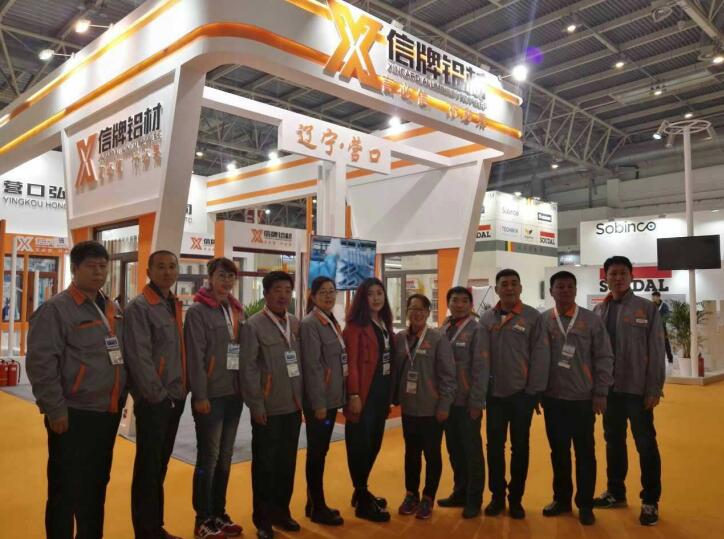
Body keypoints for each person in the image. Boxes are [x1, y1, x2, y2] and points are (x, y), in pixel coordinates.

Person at [27, 240, 126, 539]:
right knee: (65, 490)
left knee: (96, 487)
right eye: (91, 266)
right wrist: (55, 410)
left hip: (106, 412)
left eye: (103, 266)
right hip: (72, 413)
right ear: (74, 269)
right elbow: (42, 365)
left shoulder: (112, 307)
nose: (98, 272)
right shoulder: (56, 309)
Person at [593, 256, 665, 526]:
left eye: (623, 273)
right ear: (606, 278)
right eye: (613, 273)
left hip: (637, 390)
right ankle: (615, 492)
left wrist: (654, 387)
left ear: (631, 276)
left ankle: (650, 500)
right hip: (610, 390)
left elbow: (657, 350)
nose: (618, 278)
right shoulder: (599, 310)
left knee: (645, 444)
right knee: (613, 441)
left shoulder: (646, 309)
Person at [537, 271, 614, 526]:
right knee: (558, 452)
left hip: (583, 399)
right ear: (551, 291)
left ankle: (585, 504)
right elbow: (536, 358)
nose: (565, 290)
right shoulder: (544, 321)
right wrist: (537, 391)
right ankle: (561, 500)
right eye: (560, 287)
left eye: (570, 286)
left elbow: (604, 357)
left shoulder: (591, 320)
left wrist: (601, 392)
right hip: (553, 399)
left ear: (576, 290)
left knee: (585, 453)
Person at [124, 250, 187, 539]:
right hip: (155, 400)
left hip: (174, 396)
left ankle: (155, 527)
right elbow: (139, 357)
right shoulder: (140, 307)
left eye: (172, 266)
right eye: (160, 267)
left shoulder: (173, 304)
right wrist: (158, 396)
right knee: (148, 468)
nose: (167, 271)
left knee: (159, 465)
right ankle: (146, 531)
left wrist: (180, 391)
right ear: (148, 271)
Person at [240, 271, 304, 539]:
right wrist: (256, 405)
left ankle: (281, 511)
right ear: (265, 294)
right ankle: (263, 520)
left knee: (287, 463)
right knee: (265, 465)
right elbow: (248, 368)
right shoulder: (253, 325)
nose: (283, 295)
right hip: (268, 407)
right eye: (277, 290)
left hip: (293, 406)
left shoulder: (295, 323)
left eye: (287, 290)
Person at [185, 257, 244, 539]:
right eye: (221, 275)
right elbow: (194, 356)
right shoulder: (198, 311)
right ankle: (203, 518)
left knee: (225, 457)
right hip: (210, 395)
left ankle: (219, 513)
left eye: (231, 276)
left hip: (234, 394)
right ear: (210, 277)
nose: (226, 281)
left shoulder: (236, 309)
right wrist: (200, 393)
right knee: (208, 458)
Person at [480, 269, 546, 519]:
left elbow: (540, 356)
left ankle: (516, 498)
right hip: (494, 396)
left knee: (520, 448)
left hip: (521, 395)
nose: (509, 288)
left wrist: (533, 392)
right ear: (496, 289)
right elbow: (479, 357)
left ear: (520, 288)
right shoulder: (486, 318)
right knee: (494, 448)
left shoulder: (532, 317)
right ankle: (497, 496)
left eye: (513, 284)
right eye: (504, 284)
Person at [392, 294, 456, 520]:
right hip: (409, 409)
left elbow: (448, 376)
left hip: (432, 409)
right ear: (407, 311)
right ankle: (411, 494)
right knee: (411, 454)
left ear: (428, 312)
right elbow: (395, 372)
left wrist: (444, 405)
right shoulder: (400, 338)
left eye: (421, 309)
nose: (416, 313)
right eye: (412, 308)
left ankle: (428, 496)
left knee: (432, 454)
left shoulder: (438, 339)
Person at [343, 277, 395, 523]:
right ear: (362, 299)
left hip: (381, 394)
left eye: (379, 293)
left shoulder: (384, 324)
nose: (376, 298)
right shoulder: (354, 327)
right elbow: (351, 364)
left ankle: (360, 491)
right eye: (370, 294)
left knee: (374, 443)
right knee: (360, 445)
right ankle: (363, 500)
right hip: (363, 395)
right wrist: (353, 395)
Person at [437, 286, 489, 519]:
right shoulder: (444, 328)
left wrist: (477, 401)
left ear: (470, 304)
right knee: (454, 450)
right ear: (448, 303)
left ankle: (474, 499)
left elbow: (481, 368)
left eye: (464, 301)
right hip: (447, 401)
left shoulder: (477, 330)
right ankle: (459, 492)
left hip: (467, 402)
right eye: (454, 300)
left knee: (472, 452)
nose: (459, 305)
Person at [299, 277, 346, 526]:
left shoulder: (330, 321)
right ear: (313, 296)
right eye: (323, 292)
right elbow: (313, 367)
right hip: (320, 402)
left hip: (330, 398)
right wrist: (318, 403)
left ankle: (313, 503)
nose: (329, 296)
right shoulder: (310, 324)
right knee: (316, 454)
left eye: (332, 291)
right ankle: (318, 506)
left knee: (321, 452)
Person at [651, 291, 673, 363]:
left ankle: (670, 358)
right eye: (652, 297)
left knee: (666, 343)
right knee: (652, 343)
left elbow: (667, 316)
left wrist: (659, 320)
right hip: (653, 327)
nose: (652, 298)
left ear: (658, 297)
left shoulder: (664, 306)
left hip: (662, 327)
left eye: (654, 297)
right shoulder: (651, 305)